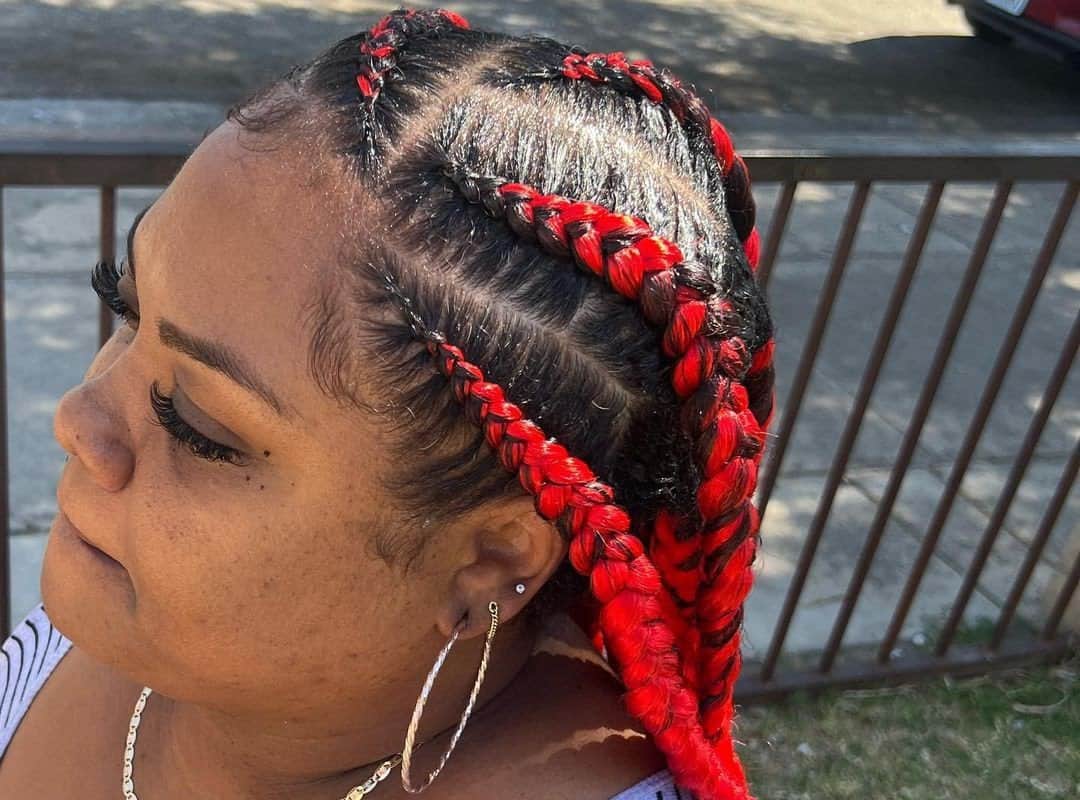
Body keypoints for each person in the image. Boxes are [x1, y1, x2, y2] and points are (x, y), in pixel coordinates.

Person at [0, 7, 775, 799]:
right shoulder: (120, 614)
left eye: (198, 429)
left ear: (489, 562)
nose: (77, 418)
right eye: (126, 310)